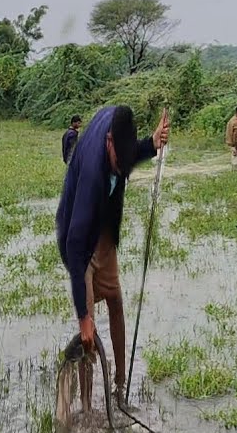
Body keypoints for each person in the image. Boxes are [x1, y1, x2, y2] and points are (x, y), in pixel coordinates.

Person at [55, 105, 169, 413]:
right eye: (119, 163)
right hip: (78, 239)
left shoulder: (121, 137)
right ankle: (86, 407)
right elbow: (75, 245)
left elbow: (129, 154)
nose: (123, 169)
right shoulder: (93, 174)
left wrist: (151, 143)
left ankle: (119, 387)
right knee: (88, 333)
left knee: (116, 300)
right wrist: (84, 318)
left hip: (103, 230)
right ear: (108, 143)